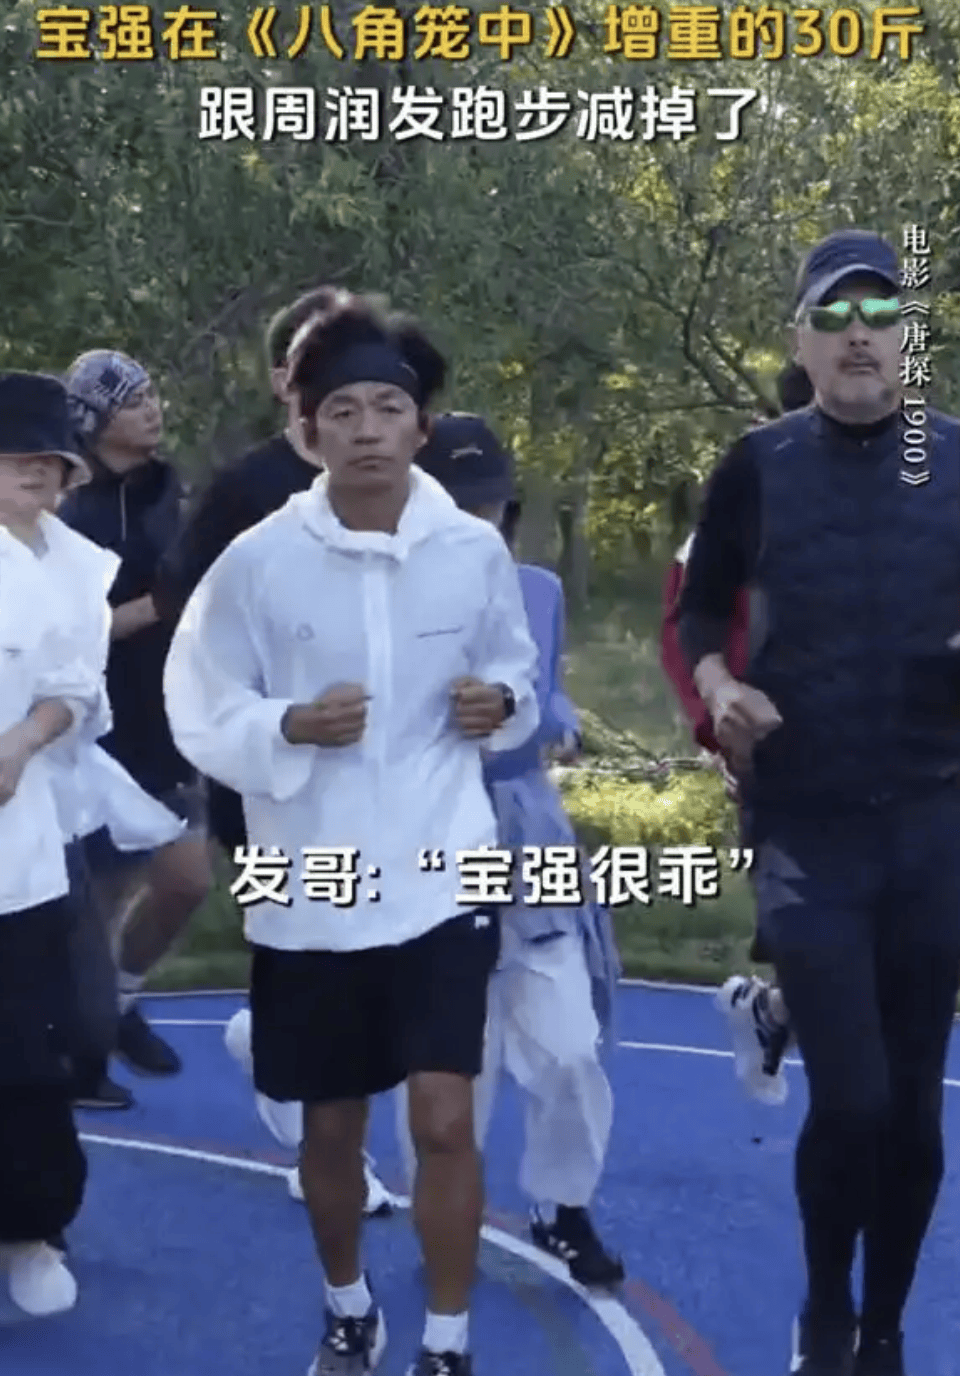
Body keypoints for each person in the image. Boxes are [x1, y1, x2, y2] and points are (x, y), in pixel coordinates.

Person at [163, 291, 539, 1376]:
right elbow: (198, 700)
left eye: (388, 407)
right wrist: (286, 724)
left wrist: (499, 703)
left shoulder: (470, 551)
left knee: (444, 1117)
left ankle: (449, 1342)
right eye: (342, 410)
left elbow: (513, 669)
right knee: (331, 1129)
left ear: (422, 426)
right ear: (305, 430)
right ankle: (348, 1308)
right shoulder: (257, 562)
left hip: (442, 866)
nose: (367, 429)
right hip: (312, 878)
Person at [675, 228, 960, 1376]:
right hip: (808, 824)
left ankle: (882, 1332)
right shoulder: (757, 464)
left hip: (936, 823)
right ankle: (825, 1311)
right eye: (834, 315)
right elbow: (698, 615)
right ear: (800, 339)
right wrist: (719, 687)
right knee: (852, 1101)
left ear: (907, 337)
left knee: (915, 1114)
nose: (858, 335)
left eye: (879, 313)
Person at [156, 285, 394, 1212]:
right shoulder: (244, 492)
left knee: (370, 954)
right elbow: (190, 624)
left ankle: (273, 1046)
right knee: (313, 949)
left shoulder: (404, 484)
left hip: (383, 770)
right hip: (270, 772)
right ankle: (322, 1149)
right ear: (281, 381)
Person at [403, 412, 624, 1288]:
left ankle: (563, 1205)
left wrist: (559, 723)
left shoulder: (539, 590)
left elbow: (551, 689)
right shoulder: (385, 597)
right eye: (457, 504)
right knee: (452, 1059)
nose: (475, 521)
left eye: (487, 504)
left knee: (570, 1043)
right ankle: (438, 1207)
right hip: (426, 834)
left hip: (530, 834)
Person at [58, 351, 214, 1099]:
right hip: (94, 725)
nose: (153, 409)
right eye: (133, 401)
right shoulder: (66, 508)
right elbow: (71, 635)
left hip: (168, 718)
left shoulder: (167, 488)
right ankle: (80, 1050)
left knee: (186, 881)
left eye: (153, 394)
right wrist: (160, 605)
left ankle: (118, 1003)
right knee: (100, 899)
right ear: (93, 419)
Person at [660, 361, 813, 1105]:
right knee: (824, 955)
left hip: (905, 765)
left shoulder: (916, 490)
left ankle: (772, 1011)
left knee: (899, 961)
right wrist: (717, 725)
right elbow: (686, 626)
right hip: (779, 757)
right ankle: (779, 1010)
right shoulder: (742, 500)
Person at [0, 371, 101, 1315]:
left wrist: (23, 742)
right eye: (17, 458)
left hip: (18, 864)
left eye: (51, 461)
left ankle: (31, 1230)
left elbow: (75, 689)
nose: (37, 476)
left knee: (31, 1057)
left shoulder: (54, 575)